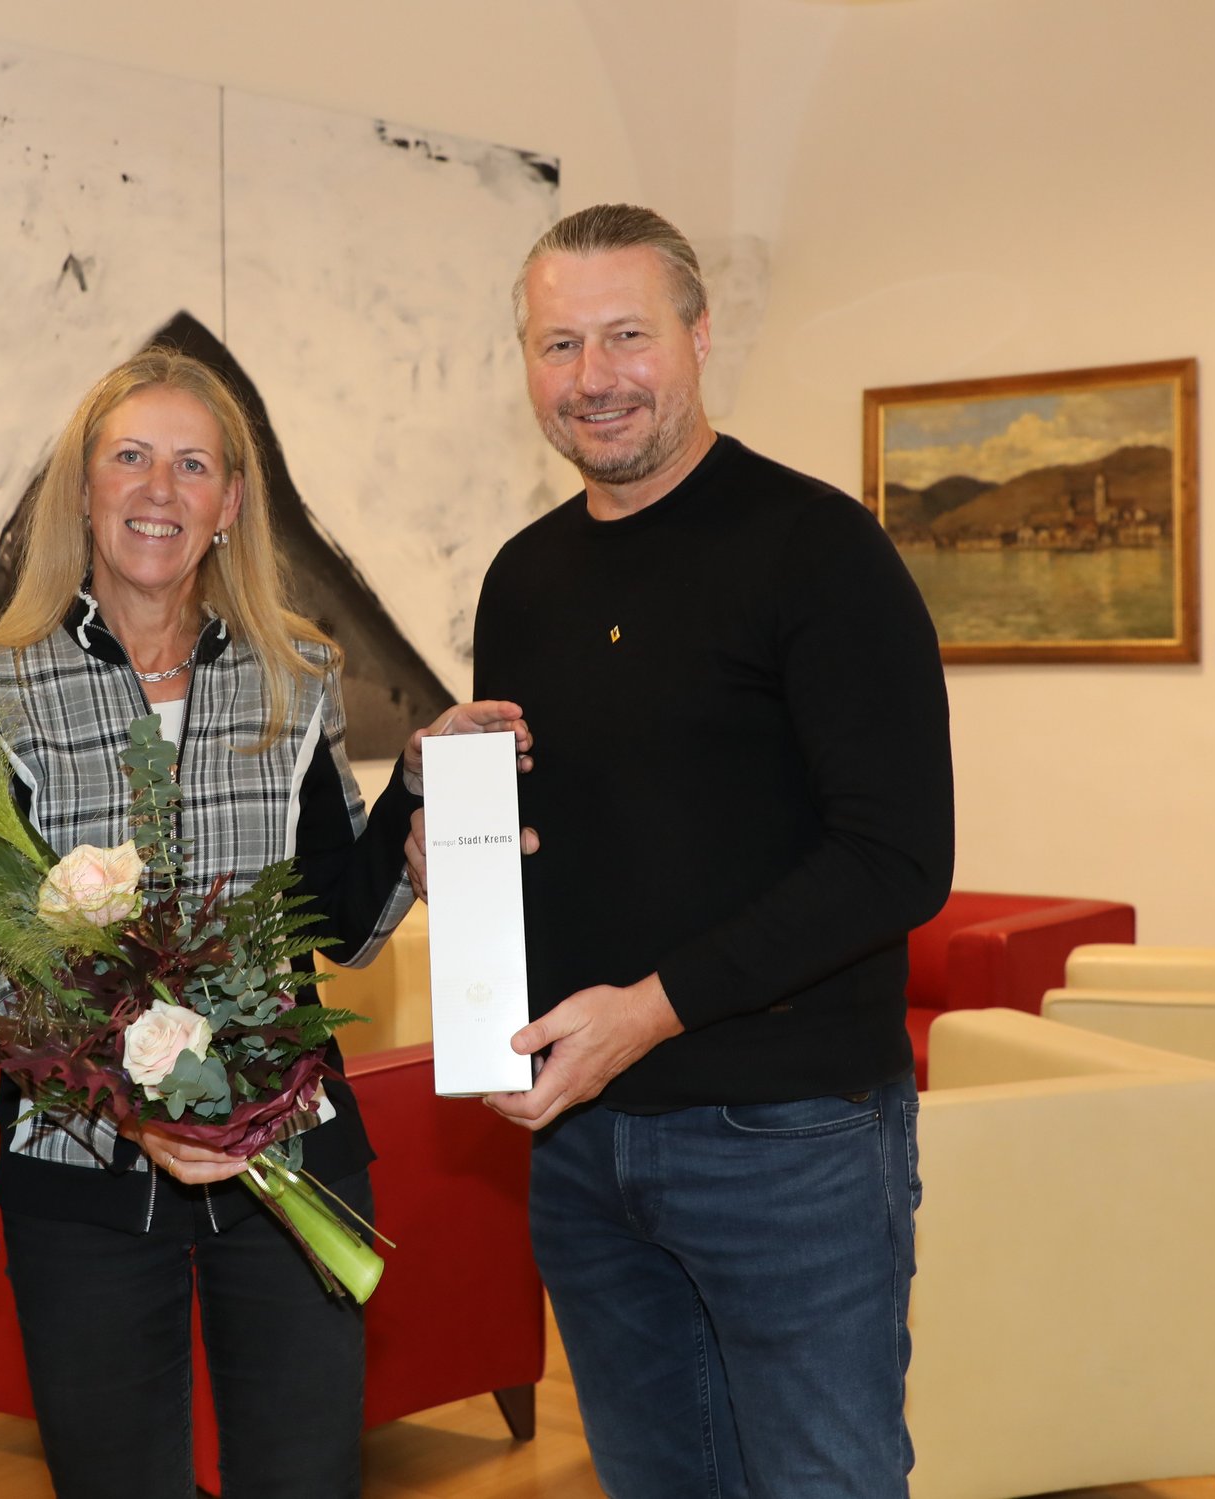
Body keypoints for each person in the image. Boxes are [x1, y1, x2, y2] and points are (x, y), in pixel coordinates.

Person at [413, 203, 954, 1497]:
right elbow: (584, 829)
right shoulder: (522, 577)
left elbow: (898, 857)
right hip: (584, 1143)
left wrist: (647, 1014)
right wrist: (466, 858)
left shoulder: (817, 549)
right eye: (558, 343)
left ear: (698, 338)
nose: (593, 377)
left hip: (793, 1139)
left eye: (625, 335)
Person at [0, 346, 525, 1499]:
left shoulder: (296, 672)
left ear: (228, 502)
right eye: (128, 457)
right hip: (79, 1166)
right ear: (81, 487)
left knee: (306, 1475)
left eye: (191, 463)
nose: (157, 489)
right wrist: (125, 1083)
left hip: (288, 1147)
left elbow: (341, 920)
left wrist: (419, 810)